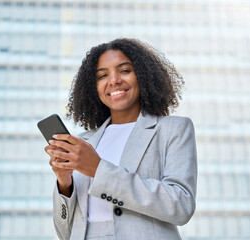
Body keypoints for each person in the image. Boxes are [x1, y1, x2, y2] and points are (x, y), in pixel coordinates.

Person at [45, 38, 197, 240]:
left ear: (142, 75)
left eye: (124, 70)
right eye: (102, 75)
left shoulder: (173, 130)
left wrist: (98, 169)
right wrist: (64, 183)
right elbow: (65, 233)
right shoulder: (84, 143)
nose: (113, 80)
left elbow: (180, 206)